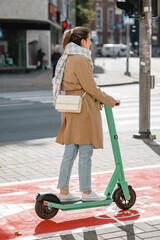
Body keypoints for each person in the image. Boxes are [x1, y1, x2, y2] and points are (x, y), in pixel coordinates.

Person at [52, 27, 120, 203]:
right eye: (89, 39)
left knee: (70, 151)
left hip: (71, 108)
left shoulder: (66, 57)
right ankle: (87, 192)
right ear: (82, 42)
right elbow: (91, 88)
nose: (91, 43)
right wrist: (111, 100)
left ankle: (64, 191)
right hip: (83, 110)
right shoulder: (80, 59)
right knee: (85, 151)